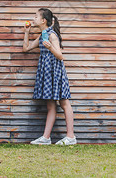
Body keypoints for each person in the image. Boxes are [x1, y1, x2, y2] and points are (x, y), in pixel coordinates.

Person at [23, 8, 76, 145]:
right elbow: (26, 48)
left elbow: (60, 55)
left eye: (36, 16)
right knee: (51, 105)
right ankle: (46, 138)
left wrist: (50, 47)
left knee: (64, 102)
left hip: (55, 71)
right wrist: (27, 32)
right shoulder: (42, 36)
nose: (33, 19)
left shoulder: (52, 35)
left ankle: (71, 137)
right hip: (46, 72)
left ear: (43, 20)